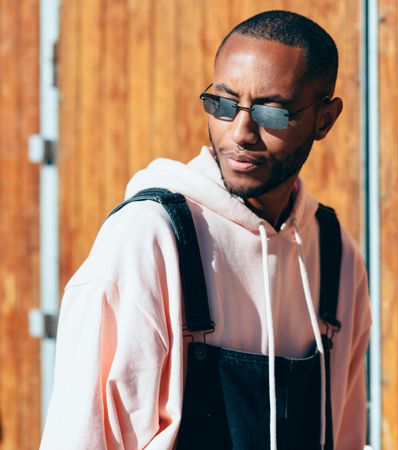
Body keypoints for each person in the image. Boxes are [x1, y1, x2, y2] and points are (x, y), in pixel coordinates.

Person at [40, 10, 371, 450]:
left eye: (273, 113)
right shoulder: (149, 238)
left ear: (325, 120)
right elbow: (82, 435)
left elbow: (345, 435)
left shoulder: (335, 256)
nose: (241, 131)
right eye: (224, 104)